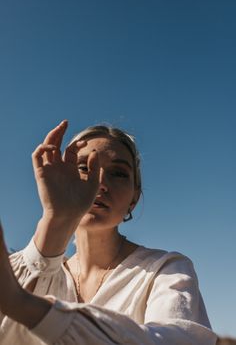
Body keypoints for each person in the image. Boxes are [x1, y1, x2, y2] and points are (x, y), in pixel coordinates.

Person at [0, 120, 217, 344]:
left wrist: (25, 306)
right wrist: (56, 217)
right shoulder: (20, 269)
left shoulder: (165, 270)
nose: (100, 183)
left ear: (134, 198)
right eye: (83, 168)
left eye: (118, 173)